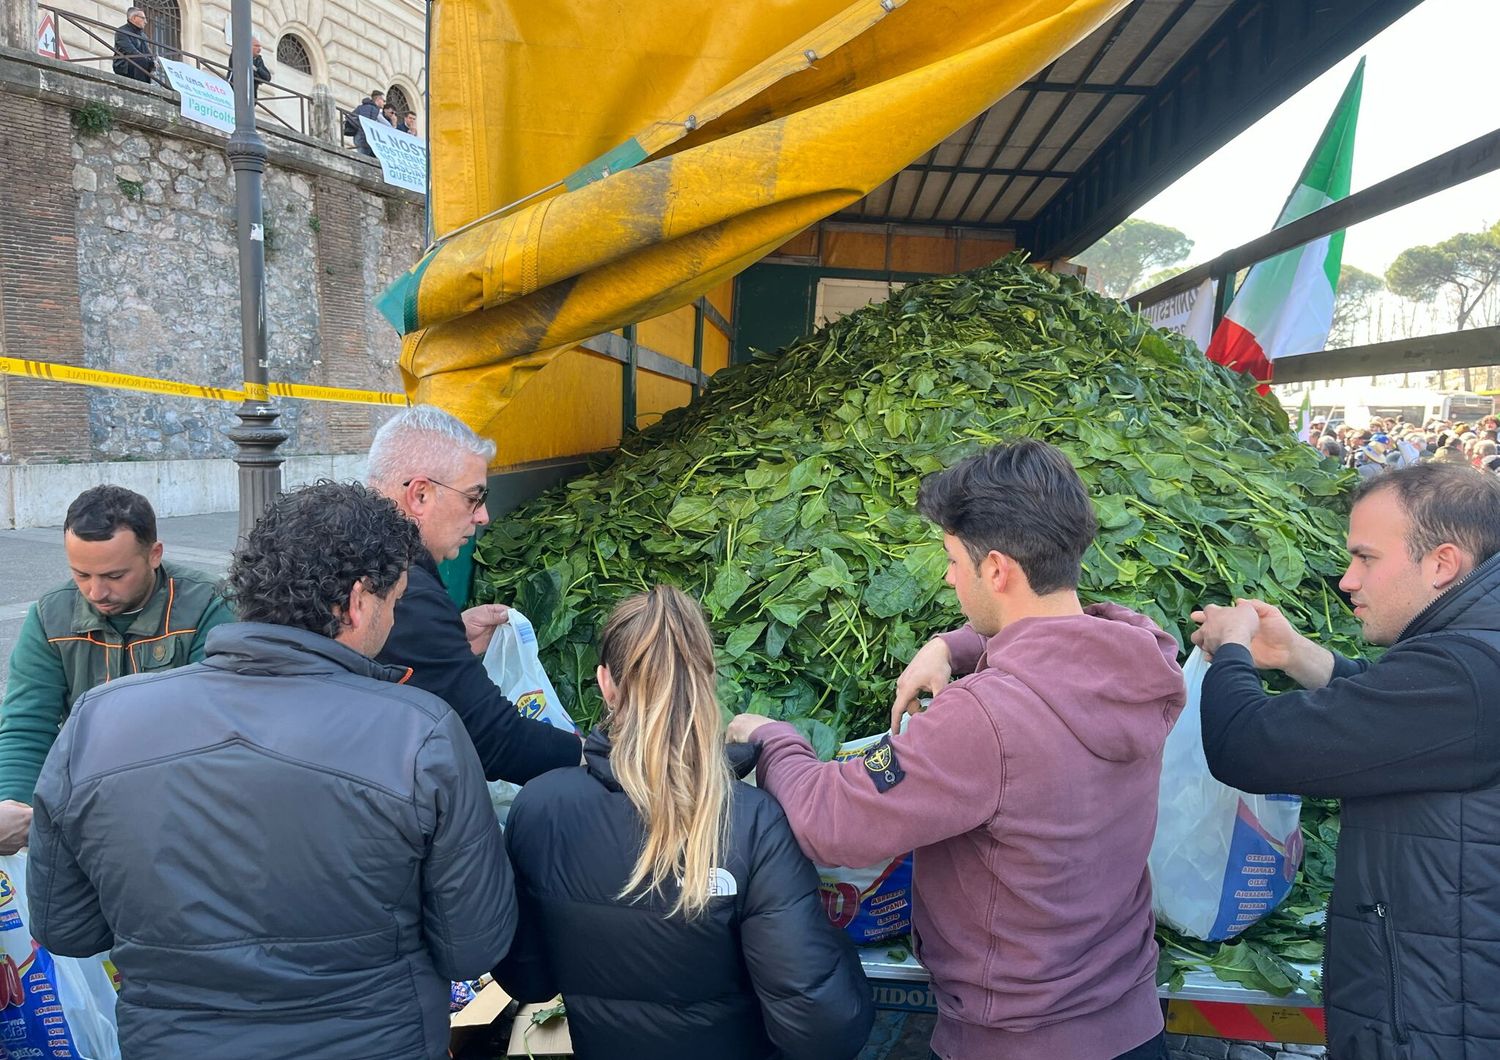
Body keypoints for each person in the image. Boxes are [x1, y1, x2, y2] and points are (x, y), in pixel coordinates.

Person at [728, 440, 1185, 1060]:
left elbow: (830, 819)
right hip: (1129, 1022)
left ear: (996, 569)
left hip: (1017, 1042)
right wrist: (954, 646)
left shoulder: (983, 720)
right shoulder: (1141, 652)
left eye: (951, 559)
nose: (947, 576)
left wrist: (769, 737)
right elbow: (1060, 634)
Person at [26, 482, 516, 1059]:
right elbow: (472, 944)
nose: (394, 617)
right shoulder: (420, 733)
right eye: (397, 601)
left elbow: (66, 928)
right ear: (359, 601)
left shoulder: (96, 723)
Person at [1192, 462, 1500, 1059]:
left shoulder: (1464, 672)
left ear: (1442, 563)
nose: (1346, 580)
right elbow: (1398, 710)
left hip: (1438, 1019)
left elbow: (1249, 745)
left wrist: (1230, 647)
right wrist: (1299, 657)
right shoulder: (1475, 650)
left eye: (1366, 558)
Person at [495, 585, 873, 1059]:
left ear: (605, 685)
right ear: (708, 679)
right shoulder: (752, 821)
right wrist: (838, 947)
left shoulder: (539, 808)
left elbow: (527, 977)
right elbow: (822, 1028)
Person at [0, 485, 232, 848]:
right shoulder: (50, 616)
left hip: (180, 809)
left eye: (114, 576)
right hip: (80, 801)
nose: (95, 592)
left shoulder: (209, 605)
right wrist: (13, 804)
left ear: (154, 554)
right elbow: (27, 724)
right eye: (81, 575)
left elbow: (214, 727)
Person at [368, 405, 584, 783]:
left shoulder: (359, 551)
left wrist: (449, 634)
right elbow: (493, 739)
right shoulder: (403, 590)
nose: (483, 517)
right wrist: (596, 755)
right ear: (419, 495)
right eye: (473, 498)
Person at [111, 6, 155, 84]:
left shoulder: (143, 35)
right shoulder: (122, 32)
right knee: (139, 59)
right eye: (143, 18)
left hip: (141, 72)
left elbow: (148, 52)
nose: (146, 22)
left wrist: (153, 62)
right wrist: (149, 61)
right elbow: (131, 51)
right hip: (126, 69)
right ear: (134, 18)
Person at [226, 36, 273, 100]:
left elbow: (267, 77)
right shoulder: (238, 53)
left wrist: (257, 69)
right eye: (256, 46)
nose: (259, 49)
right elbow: (246, 72)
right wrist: (258, 77)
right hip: (235, 92)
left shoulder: (258, 59)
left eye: (260, 46)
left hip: (251, 97)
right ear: (248, 46)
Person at [352, 89, 384, 155]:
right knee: (364, 159)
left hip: (361, 137)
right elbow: (365, 123)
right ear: (378, 99)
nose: (384, 103)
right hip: (363, 138)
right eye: (383, 100)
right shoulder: (371, 108)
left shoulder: (368, 107)